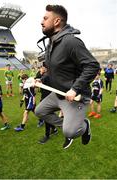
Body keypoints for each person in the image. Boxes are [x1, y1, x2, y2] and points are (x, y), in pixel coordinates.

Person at [35, 4, 100, 149]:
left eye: (45, 18)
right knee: (39, 111)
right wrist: (41, 80)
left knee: (70, 131)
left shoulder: (71, 42)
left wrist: (75, 89)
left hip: (75, 97)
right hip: (58, 94)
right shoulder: (50, 44)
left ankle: (83, 126)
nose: (41, 21)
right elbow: (56, 70)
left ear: (57, 21)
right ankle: (69, 124)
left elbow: (92, 65)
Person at [37, 65, 58, 144]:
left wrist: (34, 81)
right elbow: (38, 77)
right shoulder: (46, 74)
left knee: (45, 116)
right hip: (47, 98)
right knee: (48, 115)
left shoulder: (47, 75)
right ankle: (54, 129)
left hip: (48, 99)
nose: (40, 69)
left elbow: (40, 80)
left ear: (45, 68)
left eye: (41, 68)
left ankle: (47, 135)